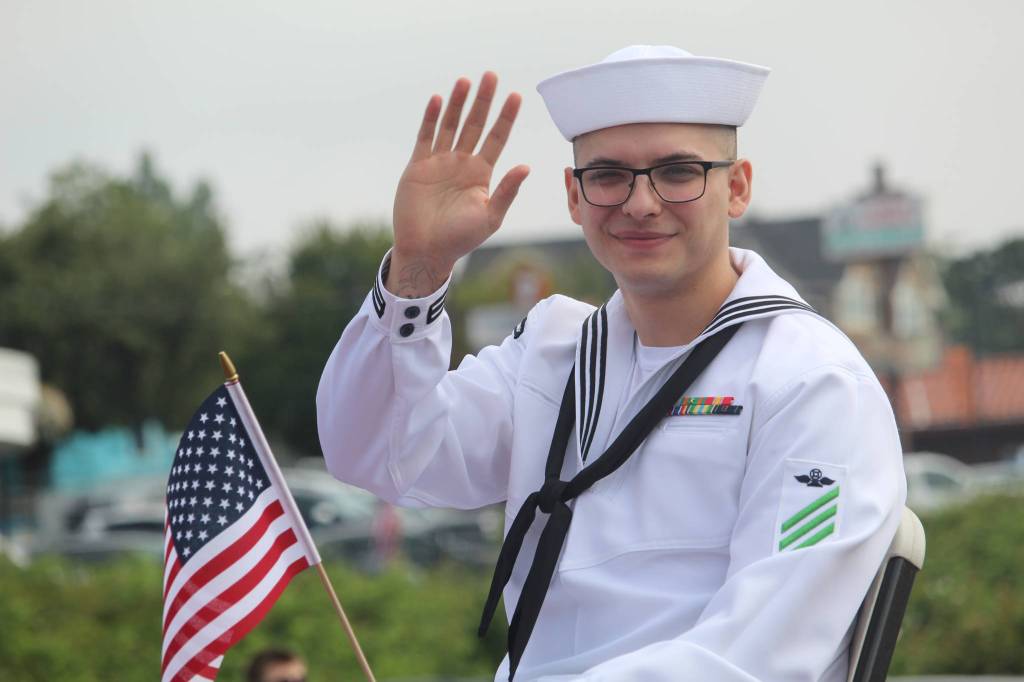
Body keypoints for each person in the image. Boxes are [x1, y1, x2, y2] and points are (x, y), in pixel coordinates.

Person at [316, 45, 906, 681]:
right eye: (607, 176)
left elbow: (758, 657)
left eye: (679, 172)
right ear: (574, 197)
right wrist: (418, 270)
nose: (641, 203)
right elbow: (374, 452)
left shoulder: (811, 381)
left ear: (736, 188)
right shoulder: (550, 354)